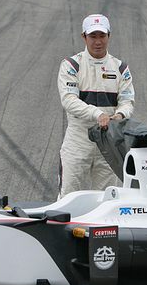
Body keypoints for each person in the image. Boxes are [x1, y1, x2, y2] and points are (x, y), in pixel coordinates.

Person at [57, 13, 135, 198]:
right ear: (84, 37)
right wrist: (97, 114)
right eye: (93, 36)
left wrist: (120, 115)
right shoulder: (71, 65)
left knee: (106, 198)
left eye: (102, 36)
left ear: (109, 36)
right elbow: (68, 100)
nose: (98, 41)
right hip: (78, 140)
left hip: (108, 142)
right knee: (68, 196)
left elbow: (127, 102)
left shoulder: (121, 68)